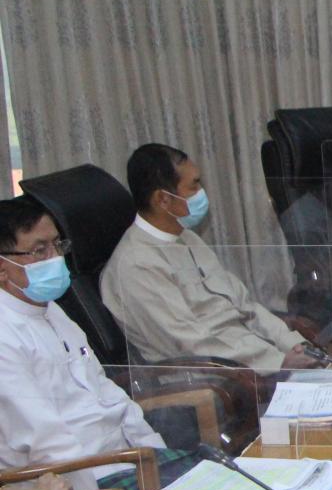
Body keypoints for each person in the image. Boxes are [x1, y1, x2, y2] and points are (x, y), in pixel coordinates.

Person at [0, 196, 166, 490]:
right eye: (39, 250)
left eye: (57, 245)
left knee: (230, 487)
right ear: (3, 268)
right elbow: (48, 445)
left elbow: (107, 393)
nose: (55, 258)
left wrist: (157, 454)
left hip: (128, 463)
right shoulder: (5, 335)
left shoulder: (50, 309)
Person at [101, 143, 317, 371]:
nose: (201, 193)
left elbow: (244, 305)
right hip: (213, 377)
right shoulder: (136, 264)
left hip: (256, 358)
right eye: (194, 186)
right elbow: (188, 345)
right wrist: (276, 363)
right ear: (163, 199)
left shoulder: (187, 238)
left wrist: (294, 345)